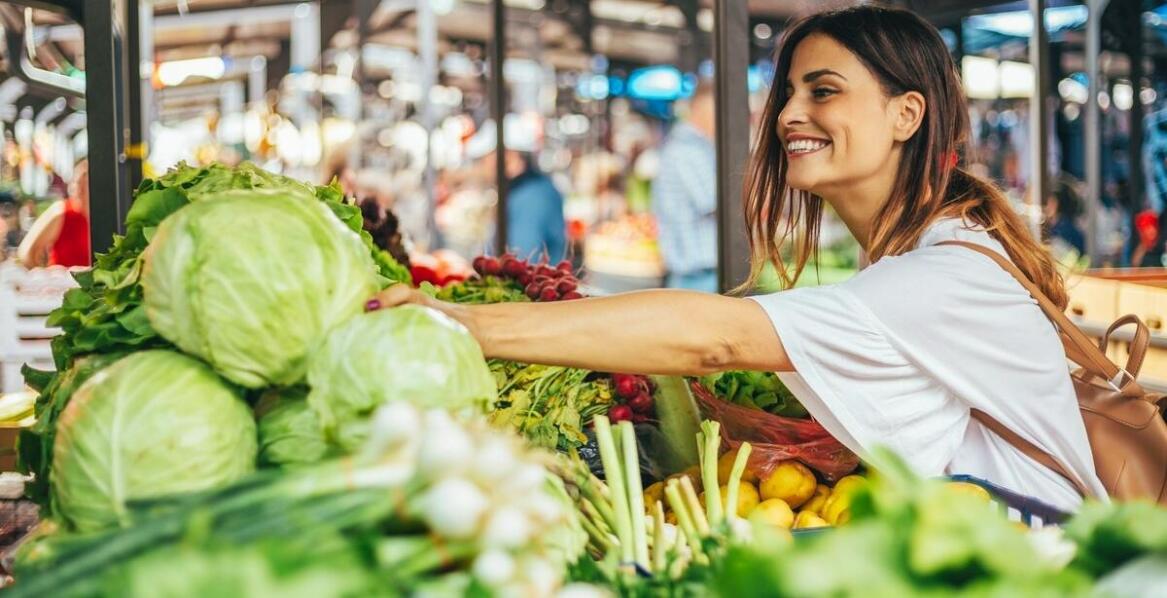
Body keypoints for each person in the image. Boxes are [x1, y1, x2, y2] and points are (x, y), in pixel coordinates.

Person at [369, 6, 1104, 510]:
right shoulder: (930, 252)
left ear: (904, 115)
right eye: (785, 92)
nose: (787, 115)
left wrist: (459, 322)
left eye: (823, 91)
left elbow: (714, 337)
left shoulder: (942, 272)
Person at [465, 115, 566, 263]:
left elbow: (521, 261)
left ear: (506, 155)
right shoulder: (524, 191)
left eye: (484, 158)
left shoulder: (532, 198)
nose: (482, 166)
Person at [652, 82, 718, 292]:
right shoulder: (688, 149)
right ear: (704, 108)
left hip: (696, 275)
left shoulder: (692, 146)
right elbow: (715, 201)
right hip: (697, 276)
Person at [17, 160, 90, 268]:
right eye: (77, 182)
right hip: (64, 284)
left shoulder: (103, 217)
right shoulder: (62, 212)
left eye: (85, 183)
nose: (79, 189)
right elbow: (26, 252)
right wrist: (42, 280)